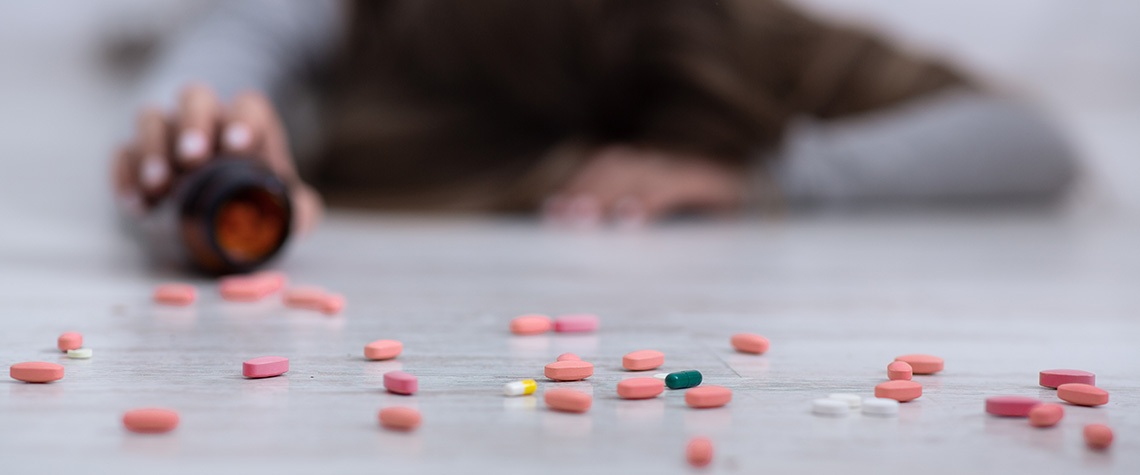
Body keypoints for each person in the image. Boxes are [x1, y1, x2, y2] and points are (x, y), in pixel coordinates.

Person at [111, 0, 1077, 233]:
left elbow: (1035, 143)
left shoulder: (739, 32)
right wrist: (195, 121)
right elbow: (246, 39)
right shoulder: (367, 20)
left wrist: (777, 178)